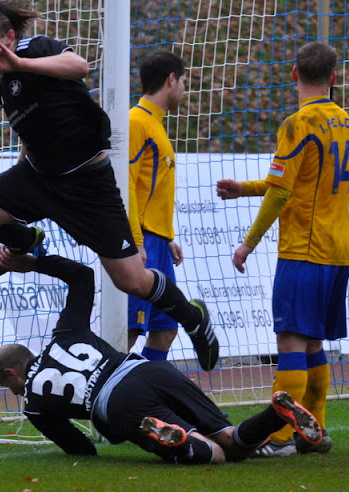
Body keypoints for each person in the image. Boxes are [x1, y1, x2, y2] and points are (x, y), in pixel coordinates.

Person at [0, 0, 218, 371]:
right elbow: (33, 133)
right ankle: (24, 240)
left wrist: (19, 63)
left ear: (10, 37)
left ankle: (193, 319)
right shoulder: (3, 88)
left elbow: (80, 65)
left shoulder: (37, 50)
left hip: (88, 185)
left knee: (132, 281)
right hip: (38, 178)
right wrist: (15, 189)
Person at [0, 248, 323, 463]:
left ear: (12, 373)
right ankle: (276, 413)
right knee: (232, 441)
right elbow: (83, 276)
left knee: (217, 456)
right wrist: (34, 262)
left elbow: (82, 449)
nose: (14, 393)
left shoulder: (33, 404)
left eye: (10, 387)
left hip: (119, 404)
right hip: (149, 370)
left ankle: (176, 440)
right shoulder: (65, 333)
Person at [216, 41, 349, 457]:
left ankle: (277, 439)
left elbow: (280, 196)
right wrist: (245, 190)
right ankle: (314, 431)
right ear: (333, 77)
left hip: (304, 250)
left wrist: (248, 243)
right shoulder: (344, 120)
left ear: (293, 73)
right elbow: (295, 184)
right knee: (312, 344)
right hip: (339, 249)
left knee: (291, 345)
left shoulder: (298, 123)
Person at [126, 50, 191, 361]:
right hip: (141, 242)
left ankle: (146, 398)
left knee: (165, 329)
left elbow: (150, 190)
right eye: (183, 82)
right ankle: (105, 403)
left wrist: (167, 237)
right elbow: (125, 186)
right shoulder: (136, 122)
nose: (184, 89)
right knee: (126, 333)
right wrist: (137, 241)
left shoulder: (155, 124)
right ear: (170, 80)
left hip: (157, 242)